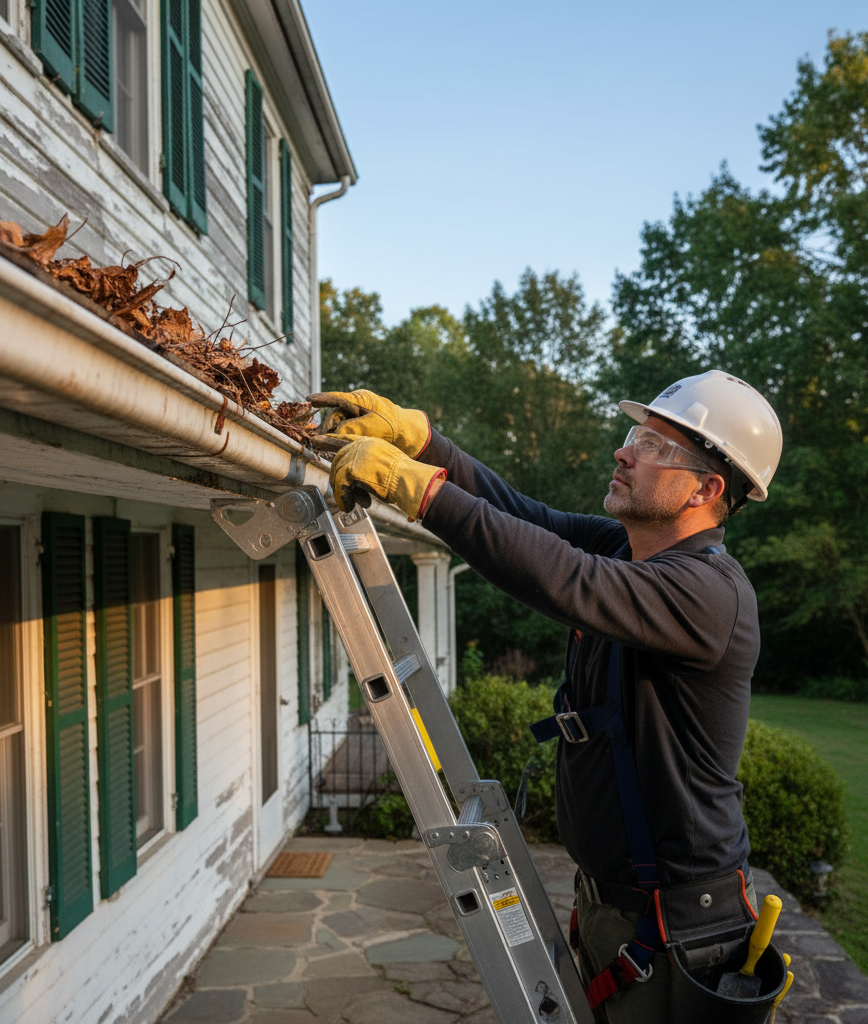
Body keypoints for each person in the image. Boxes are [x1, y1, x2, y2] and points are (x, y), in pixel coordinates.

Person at [310, 369, 784, 1022]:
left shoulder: (710, 594)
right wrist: (426, 444)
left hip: (679, 927)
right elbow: (525, 520)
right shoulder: (630, 550)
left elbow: (566, 579)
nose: (625, 451)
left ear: (707, 487)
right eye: (635, 435)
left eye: (653, 446)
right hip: (619, 908)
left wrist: (421, 492)